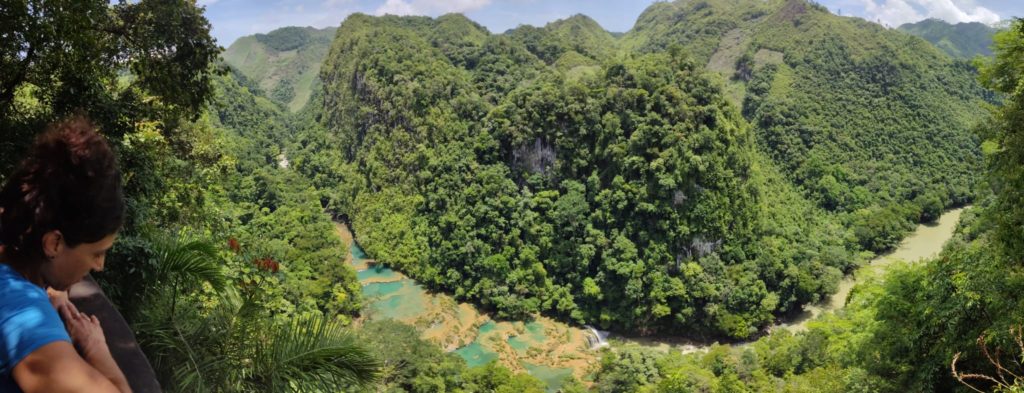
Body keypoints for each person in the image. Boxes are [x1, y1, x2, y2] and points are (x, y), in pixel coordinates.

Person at [0, 116, 131, 392]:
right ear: (54, 244)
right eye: (97, 253)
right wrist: (96, 348)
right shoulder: (22, 312)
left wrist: (49, 288)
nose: (100, 266)